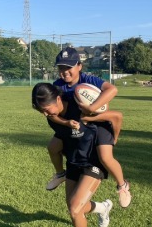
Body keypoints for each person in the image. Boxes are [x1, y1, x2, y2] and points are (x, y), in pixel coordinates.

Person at [32, 82, 113, 227]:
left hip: (93, 161)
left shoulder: (82, 106)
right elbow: (62, 137)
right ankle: (103, 207)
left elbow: (114, 117)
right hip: (74, 162)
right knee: (73, 207)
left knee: (76, 209)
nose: (45, 114)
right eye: (41, 111)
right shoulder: (52, 117)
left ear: (58, 99)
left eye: (46, 109)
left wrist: (111, 143)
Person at [45, 48, 132, 208]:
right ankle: (60, 174)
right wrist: (65, 122)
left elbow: (112, 89)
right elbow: (53, 110)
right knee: (53, 147)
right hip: (79, 125)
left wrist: (92, 108)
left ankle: (122, 185)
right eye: (61, 68)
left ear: (79, 66)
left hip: (99, 124)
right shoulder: (58, 86)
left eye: (68, 67)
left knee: (105, 157)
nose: (64, 72)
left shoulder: (88, 80)